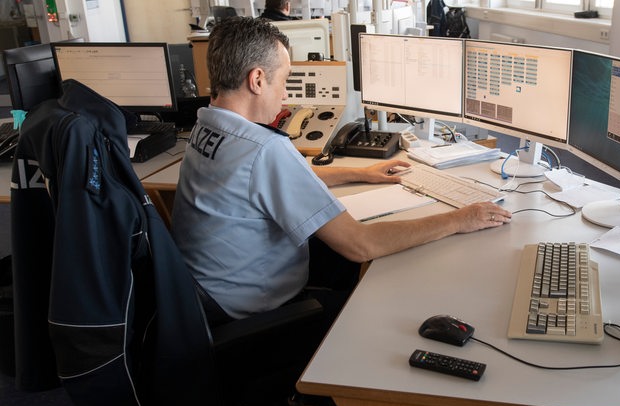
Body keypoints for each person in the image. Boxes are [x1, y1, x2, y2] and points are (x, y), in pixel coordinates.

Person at [171, 16, 511, 327]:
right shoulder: (263, 148)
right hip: (252, 314)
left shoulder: (209, 127)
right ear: (258, 79)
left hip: (203, 300)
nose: (287, 95)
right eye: (284, 80)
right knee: (378, 296)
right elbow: (359, 245)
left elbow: (266, 182)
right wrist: (458, 220)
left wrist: (361, 174)